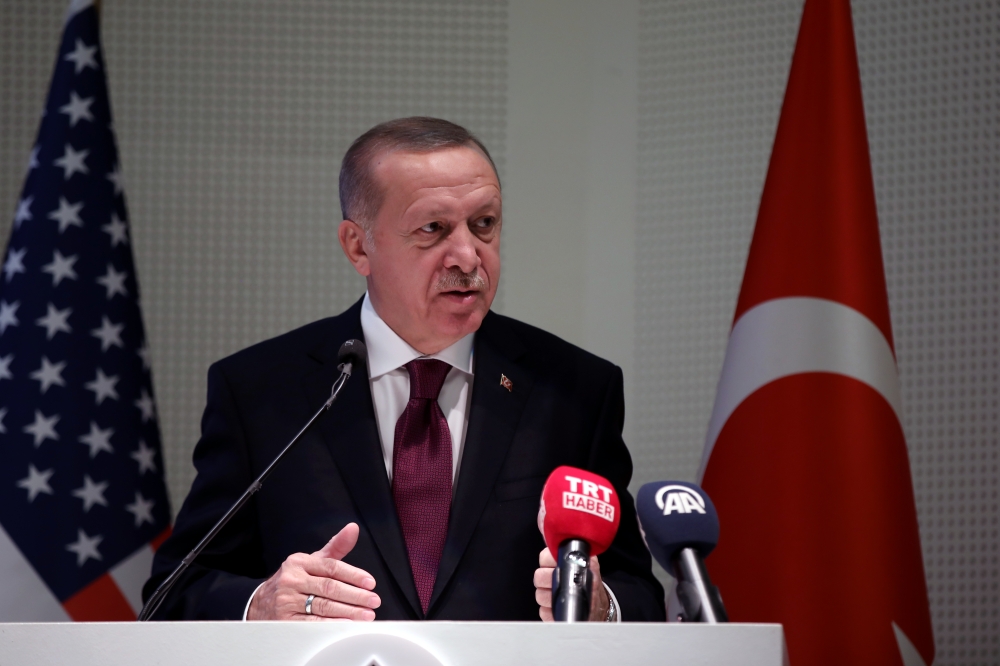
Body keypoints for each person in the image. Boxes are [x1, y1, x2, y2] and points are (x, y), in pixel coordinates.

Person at [144, 117, 665, 622]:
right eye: (433, 229)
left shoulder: (574, 391)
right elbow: (172, 593)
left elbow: (638, 594)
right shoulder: (261, 391)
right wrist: (260, 604)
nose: (468, 255)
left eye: (483, 224)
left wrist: (603, 609)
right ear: (358, 245)